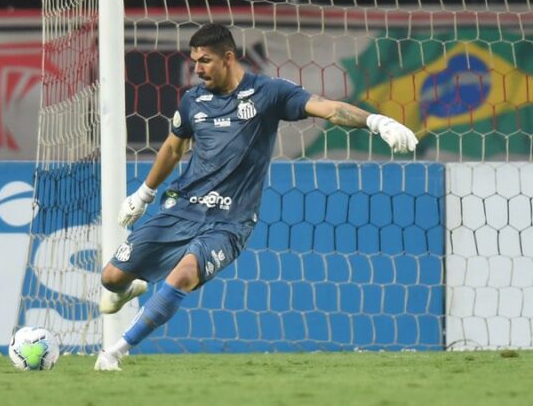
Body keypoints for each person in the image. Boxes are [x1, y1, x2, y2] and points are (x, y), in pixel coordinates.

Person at [94, 23, 417, 371]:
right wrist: (143, 194)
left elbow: (326, 107)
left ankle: (116, 352)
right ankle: (132, 284)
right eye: (194, 60)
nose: (197, 68)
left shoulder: (269, 93)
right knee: (110, 278)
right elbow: (173, 148)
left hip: (230, 223)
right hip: (181, 209)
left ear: (228, 58)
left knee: (184, 273)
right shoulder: (192, 101)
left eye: (205, 60)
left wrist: (376, 123)